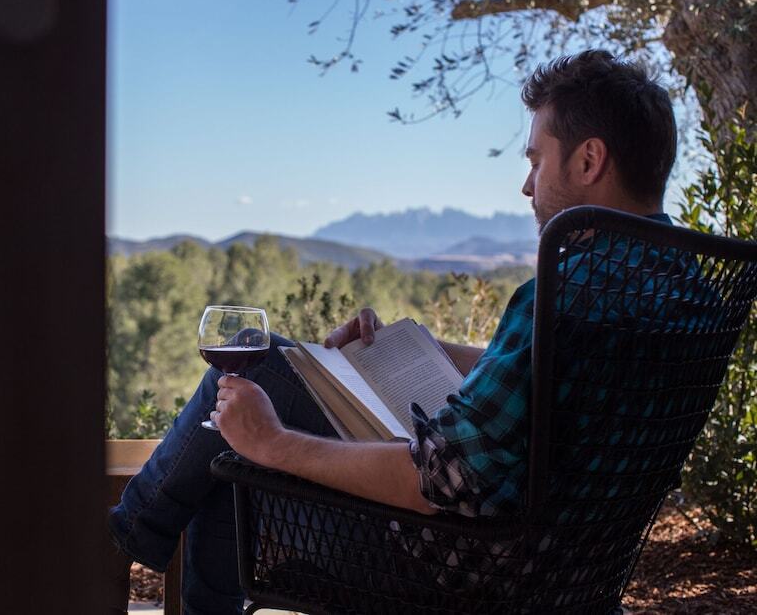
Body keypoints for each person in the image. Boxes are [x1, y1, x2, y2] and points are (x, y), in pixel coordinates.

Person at [106, 49, 679, 614]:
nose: (528, 186)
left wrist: (272, 443)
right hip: (573, 573)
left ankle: (117, 544)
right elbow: (548, 377)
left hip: (464, 572)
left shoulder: (564, 293)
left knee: (236, 437)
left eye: (536, 161)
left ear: (588, 160)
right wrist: (412, 349)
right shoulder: (681, 286)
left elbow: (440, 480)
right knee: (261, 379)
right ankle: (123, 538)